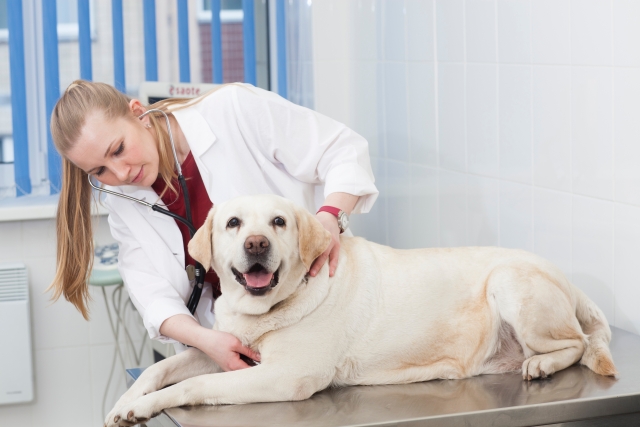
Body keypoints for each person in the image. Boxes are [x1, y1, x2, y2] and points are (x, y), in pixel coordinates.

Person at [48, 80, 378, 371]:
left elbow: (340, 150)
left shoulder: (233, 111)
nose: (120, 173)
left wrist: (330, 217)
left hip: (316, 310)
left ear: (139, 113)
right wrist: (207, 341)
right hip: (237, 340)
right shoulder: (124, 203)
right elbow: (153, 296)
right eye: (100, 171)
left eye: (118, 149)